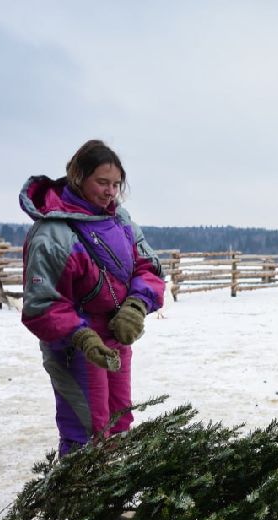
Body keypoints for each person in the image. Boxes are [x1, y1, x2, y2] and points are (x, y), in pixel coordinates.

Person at [19, 139, 165, 456]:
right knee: (85, 431)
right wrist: (82, 336)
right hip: (74, 347)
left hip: (115, 338)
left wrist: (137, 305)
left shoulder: (121, 221)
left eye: (115, 184)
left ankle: (114, 500)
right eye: (102, 182)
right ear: (78, 177)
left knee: (119, 422)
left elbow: (148, 267)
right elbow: (42, 303)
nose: (110, 191)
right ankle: (76, 503)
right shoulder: (54, 234)